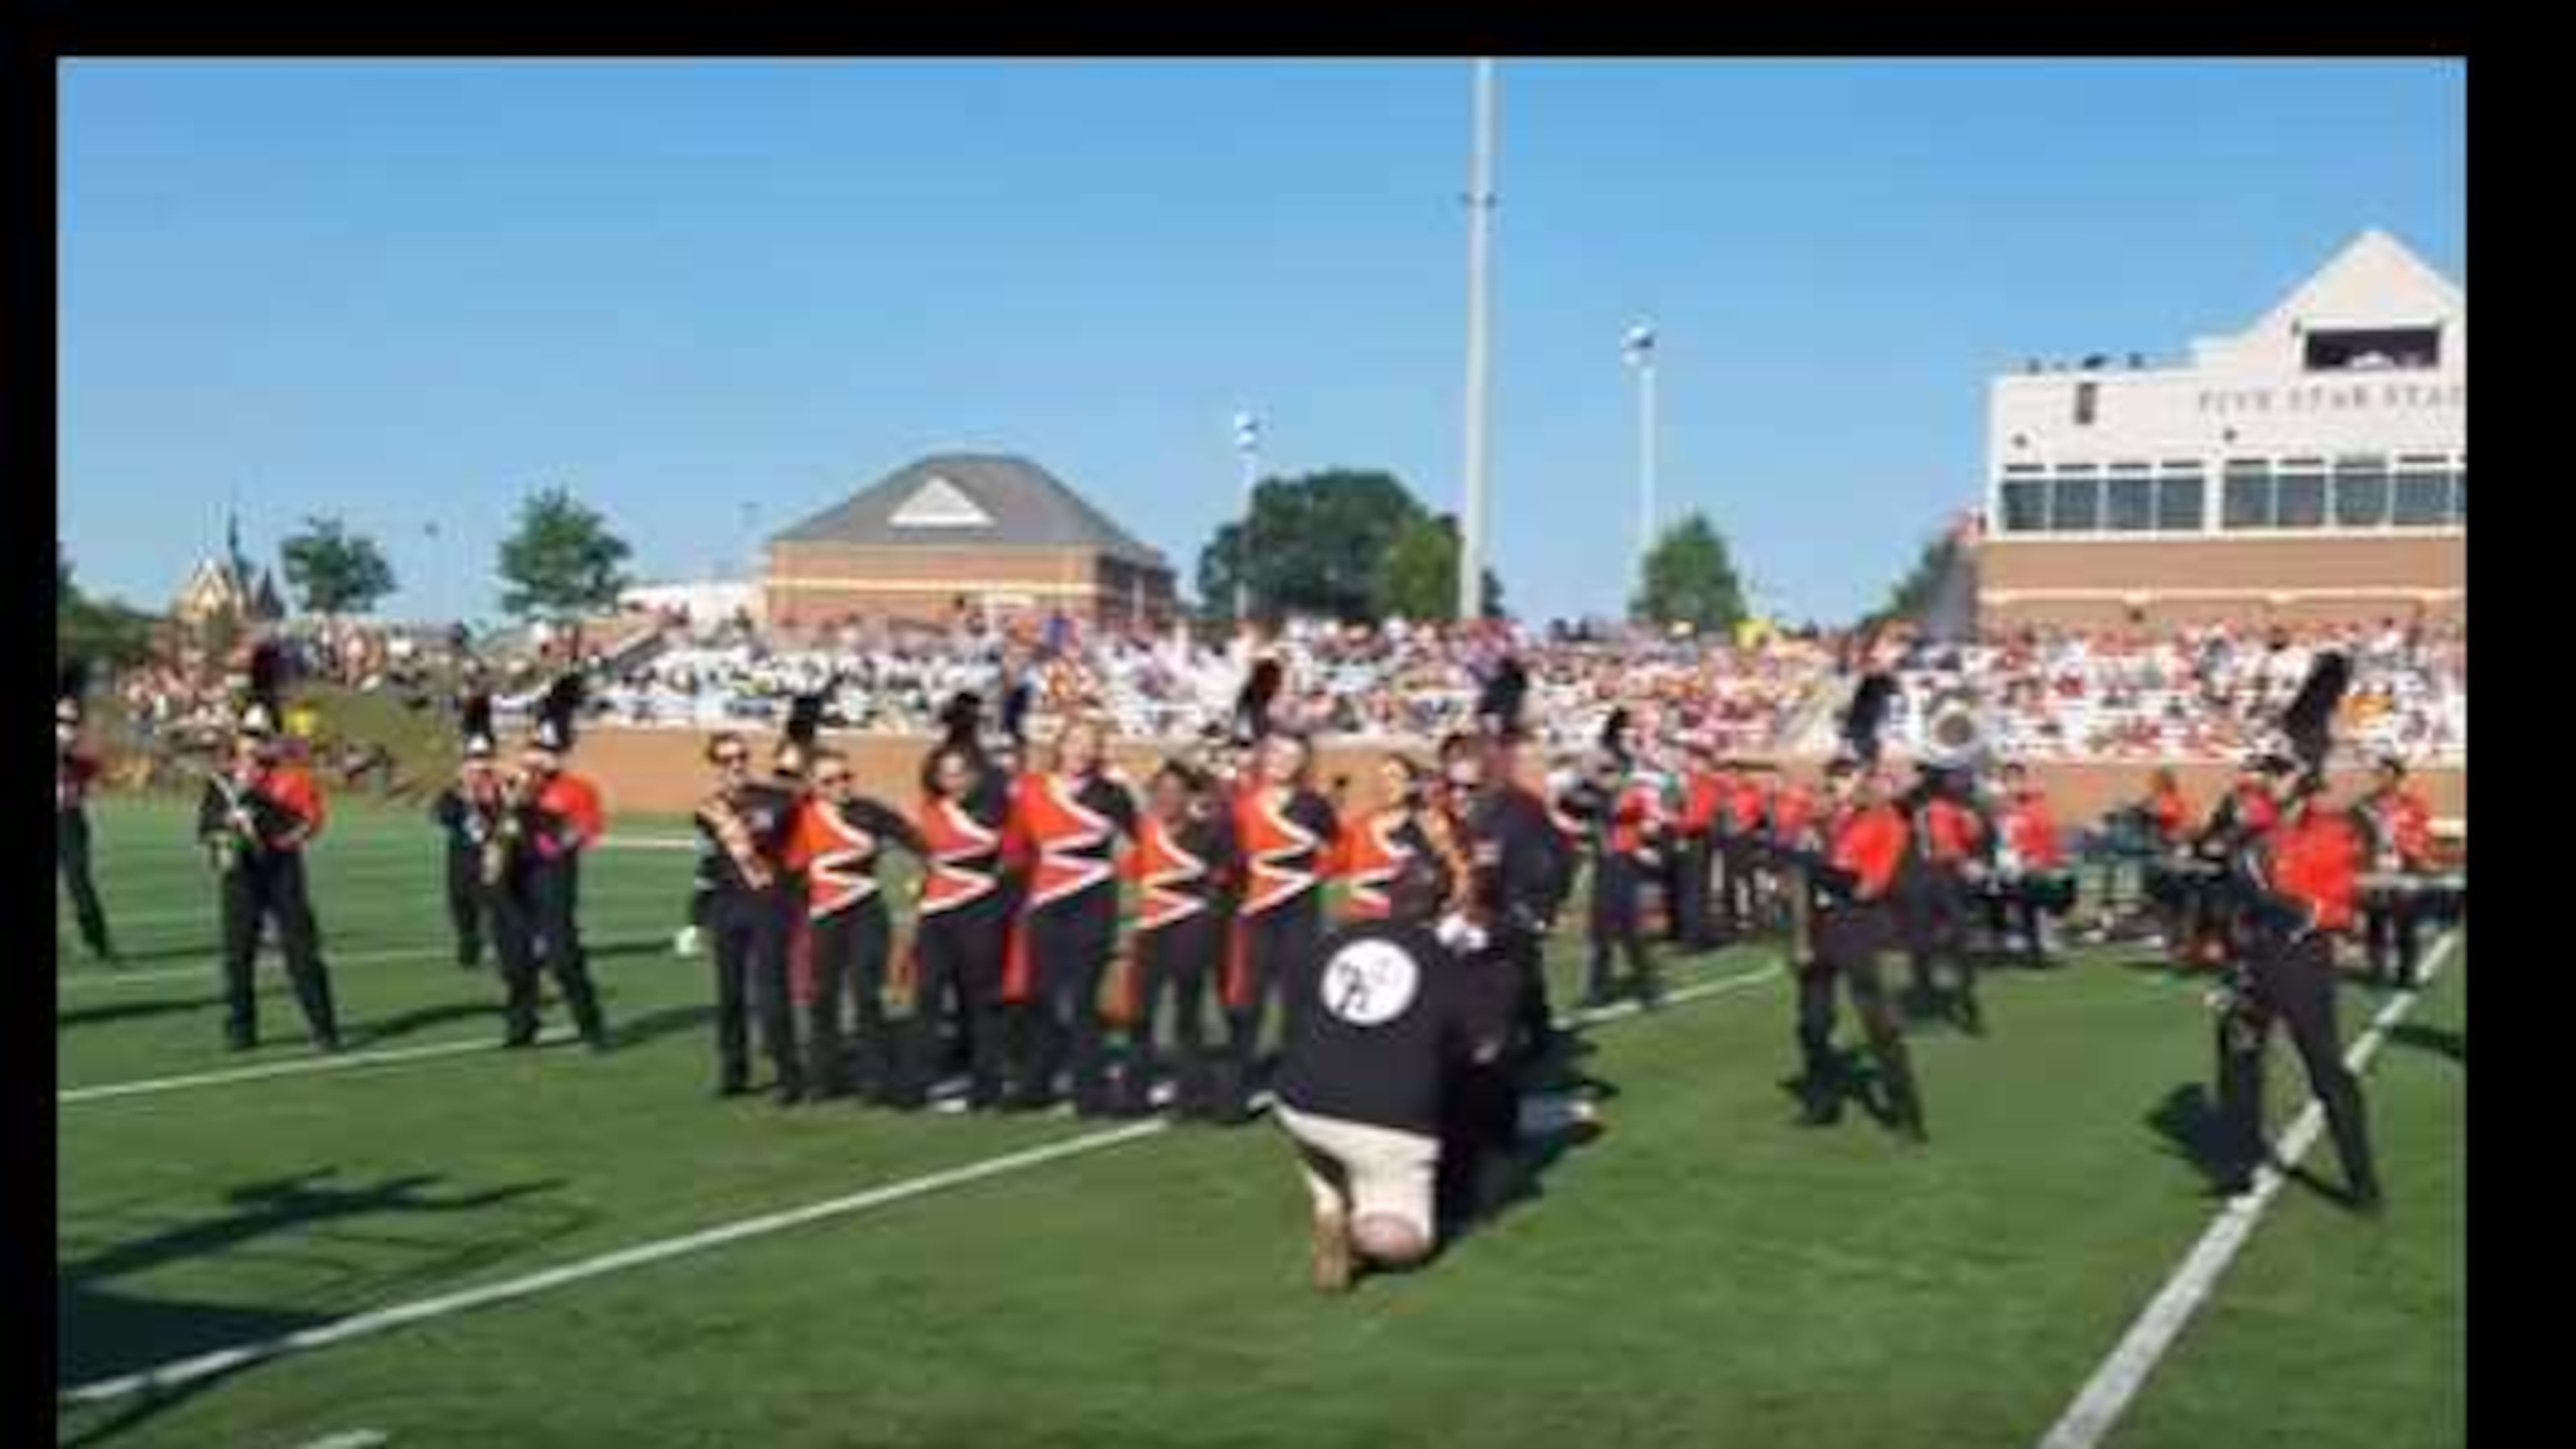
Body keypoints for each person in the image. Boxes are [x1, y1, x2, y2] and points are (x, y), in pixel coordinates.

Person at [1275, 877, 1486, 1293]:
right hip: (1387, 1126)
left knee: (1324, 1131)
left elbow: (1294, 1009)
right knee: (1404, 1241)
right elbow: (1478, 1044)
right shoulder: (1440, 958)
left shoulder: (1337, 940)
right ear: (1440, 912)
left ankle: (1329, 1201)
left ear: (1387, 902)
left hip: (1301, 1103)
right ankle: (1358, 1234)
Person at [2212, 757, 2381, 1207]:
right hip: (2251, 958)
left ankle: (2361, 1180)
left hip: (2301, 959)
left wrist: (2305, 911)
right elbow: (2224, 881)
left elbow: (2344, 904)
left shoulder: (2331, 831)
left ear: (2303, 783)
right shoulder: (2248, 831)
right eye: (2267, 772)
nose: (2269, 780)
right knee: (2239, 1058)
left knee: (2325, 1068)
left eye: (2280, 772)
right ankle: (2237, 1166)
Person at [197, 644, 341, 1053]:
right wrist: (225, 833)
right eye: (245, 735)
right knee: (237, 954)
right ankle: (241, 1028)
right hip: (240, 874)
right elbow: (206, 828)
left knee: (300, 951)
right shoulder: (222, 781)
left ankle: (324, 1028)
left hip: (281, 872)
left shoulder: (292, 779)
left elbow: (306, 824)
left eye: (259, 737)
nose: (250, 744)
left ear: (274, 740)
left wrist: (257, 809)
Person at [1005, 714, 1139, 1116]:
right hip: (1046, 898)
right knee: (1041, 997)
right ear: (1059, 745)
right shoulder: (1030, 789)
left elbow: (1147, 839)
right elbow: (1014, 845)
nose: (1081, 750)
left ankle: (1090, 1092)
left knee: (1082, 999)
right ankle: (1035, 1085)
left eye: (1089, 743)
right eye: (1074, 741)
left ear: (1099, 751)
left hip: (1093, 898)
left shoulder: (1112, 793)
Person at [1789, 757, 1926, 1140]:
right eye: (1833, 777)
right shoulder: (1816, 821)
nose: (1837, 785)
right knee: (1812, 1024)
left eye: (1846, 778)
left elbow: (1869, 887)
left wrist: (1825, 867)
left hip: (1856, 925)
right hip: (1820, 928)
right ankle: (1824, 1103)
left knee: (1878, 1024)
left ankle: (1907, 1114)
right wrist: (1801, 939)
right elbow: (1798, 881)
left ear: (1862, 782)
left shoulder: (1887, 823)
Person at [784, 745, 924, 1101]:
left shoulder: (869, 812)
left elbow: (917, 841)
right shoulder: (799, 815)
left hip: (866, 912)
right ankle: (823, 1077)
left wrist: (926, 873)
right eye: (829, 781)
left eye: (846, 777)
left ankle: (875, 1077)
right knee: (822, 998)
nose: (841, 786)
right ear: (812, 785)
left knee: (866, 993)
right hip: (823, 917)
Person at [896, 697, 1016, 1110]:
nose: (954, 779)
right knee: (927, 996)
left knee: (980, 996)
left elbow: (1010, 850)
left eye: (960, 773)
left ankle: (986, 1083)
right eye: (947, 774)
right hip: (937, 913)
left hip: (979, 909)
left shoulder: (994, 799)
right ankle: (915, 1082)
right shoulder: (935, 803)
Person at [1224, 729, 1342, 1121]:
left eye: (1293, 757)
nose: (1283, 763)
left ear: (1302, 764)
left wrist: (1306, 877)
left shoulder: (1313, 805)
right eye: (1277, 754)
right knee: (1249, 1002)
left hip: (1300, 911)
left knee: (1297, 1002)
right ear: (1264, 755)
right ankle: (1236, 1092)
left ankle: (1292, 1095)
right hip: (1254, 912)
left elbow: (1336, 851)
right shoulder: (1240, 803)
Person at [1117, 759, 1236, 1120]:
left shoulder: (1210, 832)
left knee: (1187, 1015)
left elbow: (1226, 881)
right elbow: (1133, 879)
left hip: (1192, 930)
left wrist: (1205, 917)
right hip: (1150, 931)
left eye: (1176, 792)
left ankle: (1193, 1097)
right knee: (1139, 1015)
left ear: (1189, 797)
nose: (1168, 799)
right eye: (1161, 792)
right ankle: (1134, 1095)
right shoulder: (1144, 831)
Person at [694, 729, 804, 1102]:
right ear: (716, 765)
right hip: (727, 908)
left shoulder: (776, 800)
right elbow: (710, 863)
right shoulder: (707, 809)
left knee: (772, 993)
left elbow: (793, 824)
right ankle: (733, 1071)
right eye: (727, 759)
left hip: (769, 903)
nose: (736, 764)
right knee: (729, 996)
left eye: (741, 756)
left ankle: (789, 1074)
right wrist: (697, 917)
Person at [503, 677, 610, 1052]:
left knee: (563, 959)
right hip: (514, 878)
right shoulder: (512, 785)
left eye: (546, 753)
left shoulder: (578, 790)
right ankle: (521, 1025)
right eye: (533, 751)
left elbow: (578, 835)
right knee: (516, 959)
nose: (537, 759)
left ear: (559, 755)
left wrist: (537, 817)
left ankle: (591, 1026)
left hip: (553, 878)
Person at [1579, 712, 1664, 1010]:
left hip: (1622, 856)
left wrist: (1600, 787)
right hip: (1606, 855)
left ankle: (1648, 987)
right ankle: (1598, 988)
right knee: (1599, 926)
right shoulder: (1613, 776)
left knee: (1628, 926)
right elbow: (1581, 798)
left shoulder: (1632, 785)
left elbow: (1620, 805)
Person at [1898, 765, 1988, 1032]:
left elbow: (1976, 837)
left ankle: (1967, 995)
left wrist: (1975, 858)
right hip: (1918, 875)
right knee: (1919, 939)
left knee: (1960, 936)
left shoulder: (1963, 803)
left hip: (1949, 875)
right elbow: (1897, 807)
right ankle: (1924, 990)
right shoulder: (1913, 800)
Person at [427, 689, 502, 971]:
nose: (478, 766)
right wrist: (462, 800)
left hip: (493, 852)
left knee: (493, 903)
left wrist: (487, 809)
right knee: (460, 903)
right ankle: (468, 941)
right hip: (461, 852)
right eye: (473, 760)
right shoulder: (456, 788)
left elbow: (510, 818)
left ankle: (500, 946)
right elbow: (440, 815)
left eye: (484, 759)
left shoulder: (500, 787)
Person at [56, 661, 119, 966]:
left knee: (79, 881)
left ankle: (98, 940)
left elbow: (91, 766)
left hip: (68, 819)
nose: (67, 727)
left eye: (71, 721)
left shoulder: (76, 748)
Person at [2354, 755, 2434, 987]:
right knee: (2376, 923)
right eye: (2379, 775)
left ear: (2399, 777)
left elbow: (2422, 835)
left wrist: (2414, 854)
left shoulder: (2414, 804)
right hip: (2373, 871)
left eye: (2388, 775)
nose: (2383, 779)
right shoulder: (2364, 805)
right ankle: (2377, 972)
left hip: (2404, 870)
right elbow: (2354, 836)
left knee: (2406, 924)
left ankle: (2407, 974)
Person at [1987, 762, 2066, 967]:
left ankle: (2037, 947)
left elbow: (2047, 833)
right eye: (2008, 779)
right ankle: (2001, 947)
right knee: (1997, 904)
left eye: (2016, 779)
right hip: (2000, 860)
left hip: (2028, 861)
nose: (2012, 784)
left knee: (2031, 905)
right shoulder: (1994, 806)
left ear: (2023, 781)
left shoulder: (2035, 805)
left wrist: (2046, 859)